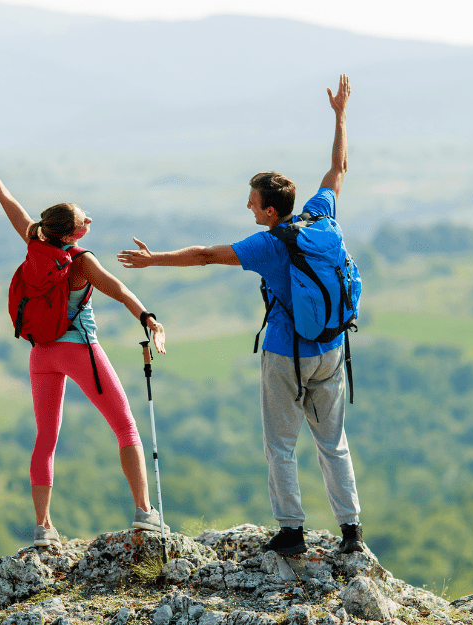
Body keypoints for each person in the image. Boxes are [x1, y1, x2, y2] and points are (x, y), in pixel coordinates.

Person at [116, 75, 363, 556]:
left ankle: (292, 530)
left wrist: (152, 260)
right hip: (333, 346)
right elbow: (339, 167)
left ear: (271, 211)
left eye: (252, 202)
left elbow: (205, 255)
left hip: (285, 352)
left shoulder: (269, 244)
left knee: (281, 445)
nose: (247, 207)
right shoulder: (321, 215)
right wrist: (340, 115)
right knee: (333, 442)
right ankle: (351, 531)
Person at [0, 140, 169, 548]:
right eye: (85, 221)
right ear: (73, 233)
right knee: (125, 425)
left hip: (40, 354)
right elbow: (117, 289)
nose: (89, 222)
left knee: (45, 438)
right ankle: (144, 513)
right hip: (80, 349)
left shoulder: (34, 239)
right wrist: (148, 318)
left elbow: (7, 200)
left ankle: (43, 527)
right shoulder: (81, 261)